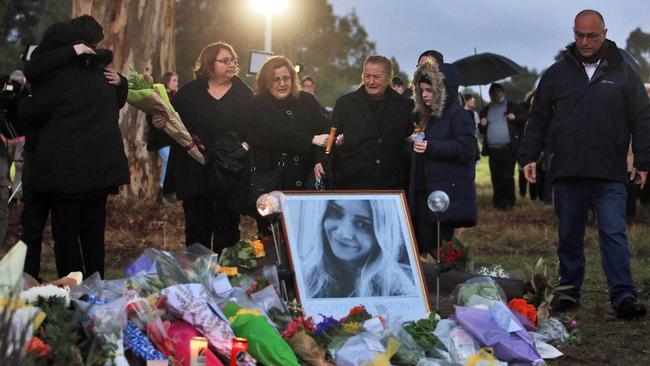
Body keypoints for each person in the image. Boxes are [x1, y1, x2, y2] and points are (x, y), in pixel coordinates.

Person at [518, 10, 649, 319]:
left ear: (604, 32)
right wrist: (527, 156)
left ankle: (623, 296)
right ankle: (568, 293)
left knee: (614, 232)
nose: (585, 41)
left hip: (609, 170)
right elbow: (538, 118)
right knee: (569, 234)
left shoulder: (623, 74)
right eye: (580, 35)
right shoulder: (556, 73)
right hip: (567, 169)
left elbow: (643, 118)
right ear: (573, 33)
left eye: (592, 35)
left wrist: (643, 160)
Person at [18, 15, 130, 279]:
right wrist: (123, 83)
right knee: (94, 236)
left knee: (67, 237)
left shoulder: (57, 77)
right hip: (100, 173)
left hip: (67, 175)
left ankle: (73, 290)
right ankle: (95, 286)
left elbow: (32, 112)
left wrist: (22, 99)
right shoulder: (103, 73)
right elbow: (116, 102)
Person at [159, 42, 253, 253]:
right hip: (194, 173)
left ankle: (225, 280)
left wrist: (243, 148)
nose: (232, 65)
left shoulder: (244, 94)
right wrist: (159, 123)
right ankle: (198, 281)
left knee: (228, 230)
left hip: (229, 173)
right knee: (196, 231)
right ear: (209, 64)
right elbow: (173, 124)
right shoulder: (188, 93)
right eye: (225, 60)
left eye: (233, 61)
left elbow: (253, 130)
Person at [409, 62, 477, 254]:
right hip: (425, 190)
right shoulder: (426, 116)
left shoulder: (458, 116)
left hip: (444, 195)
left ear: (443, 90)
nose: (424, 95)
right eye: (421, 90)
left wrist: (432, 147)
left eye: (429, 90)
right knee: (424, 243)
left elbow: (467, 149)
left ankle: (442, 282)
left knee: (440, 246)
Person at [295, 199, 417, 298]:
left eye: (362, 224)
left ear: (382, 236)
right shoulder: (304, 273)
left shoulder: (398, 290)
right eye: (336, 213)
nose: (344, 234)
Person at [323, 55, 412, 189]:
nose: (370, 81)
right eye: (366, 76)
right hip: (352, 185)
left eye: (376, 77)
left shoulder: (405, 106)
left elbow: (409, 141)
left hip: (391, 186)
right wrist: (336, 144)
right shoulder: (344, 104)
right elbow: (330, 140)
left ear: (388, 77)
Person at [247, 56, 329, 198]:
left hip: (304, 184)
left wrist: (319, 160)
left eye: (286, 78)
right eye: (276, 79)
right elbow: (271, 136)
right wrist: (310, 139)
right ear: (266, 82)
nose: (282, 83)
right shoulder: (257, 104)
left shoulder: (307, 101)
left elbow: (324, 131)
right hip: (271, 187)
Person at [478, 83, 527, 210]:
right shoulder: (486, 110)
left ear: (503, 93)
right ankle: (498, 202)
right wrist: (482, 124)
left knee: (507, 176)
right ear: (490, 95)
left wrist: (514, 117)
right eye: (494, 92)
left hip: (508, 148)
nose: (496, 94)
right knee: (495, 177)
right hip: (493, 149)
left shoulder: (512, 106)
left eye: (499, 92)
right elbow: (482, 130)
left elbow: (524, 119)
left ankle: (509, 202)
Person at [146, 71, 178, 202]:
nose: (177, 83)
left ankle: (171, 190)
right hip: (160, 139)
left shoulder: (176, 98)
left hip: (173, 139)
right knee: (169, 157)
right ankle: (163, 190)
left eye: (177, 81)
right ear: (167, 82)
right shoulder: (157, 97)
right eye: (174, 80)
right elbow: (149, 115)